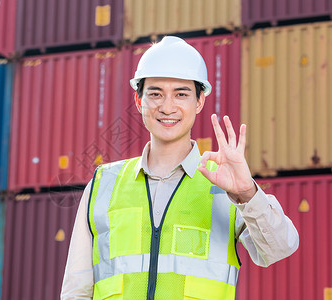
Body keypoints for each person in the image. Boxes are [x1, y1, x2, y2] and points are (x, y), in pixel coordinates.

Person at [61, 36, 298, 300]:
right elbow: (76, 290)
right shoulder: (103, 182)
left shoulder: (225, 185)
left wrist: (247, 193)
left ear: (199, 102)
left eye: (181, 94)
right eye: (155, 94)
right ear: (139, 101)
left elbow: (278, 249)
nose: (167, 107)